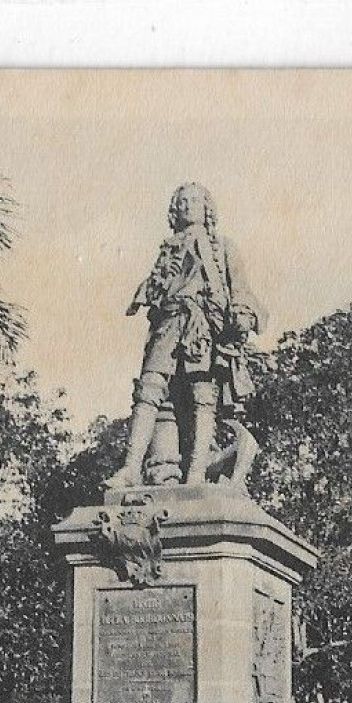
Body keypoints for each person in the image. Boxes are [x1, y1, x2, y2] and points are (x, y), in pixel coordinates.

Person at [105, 183, 262, 488]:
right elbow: (155, 289)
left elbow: (240, 288)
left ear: (208, 207)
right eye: (182, 201)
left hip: (202, 324)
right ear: (174, 210)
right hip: (167, 324)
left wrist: (240, 315)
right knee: (148, 390)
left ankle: (196, 475)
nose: (188, 205)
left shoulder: (223, 247)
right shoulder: (167, 249)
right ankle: (130, 468)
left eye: (196, 200)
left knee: (203, 396)